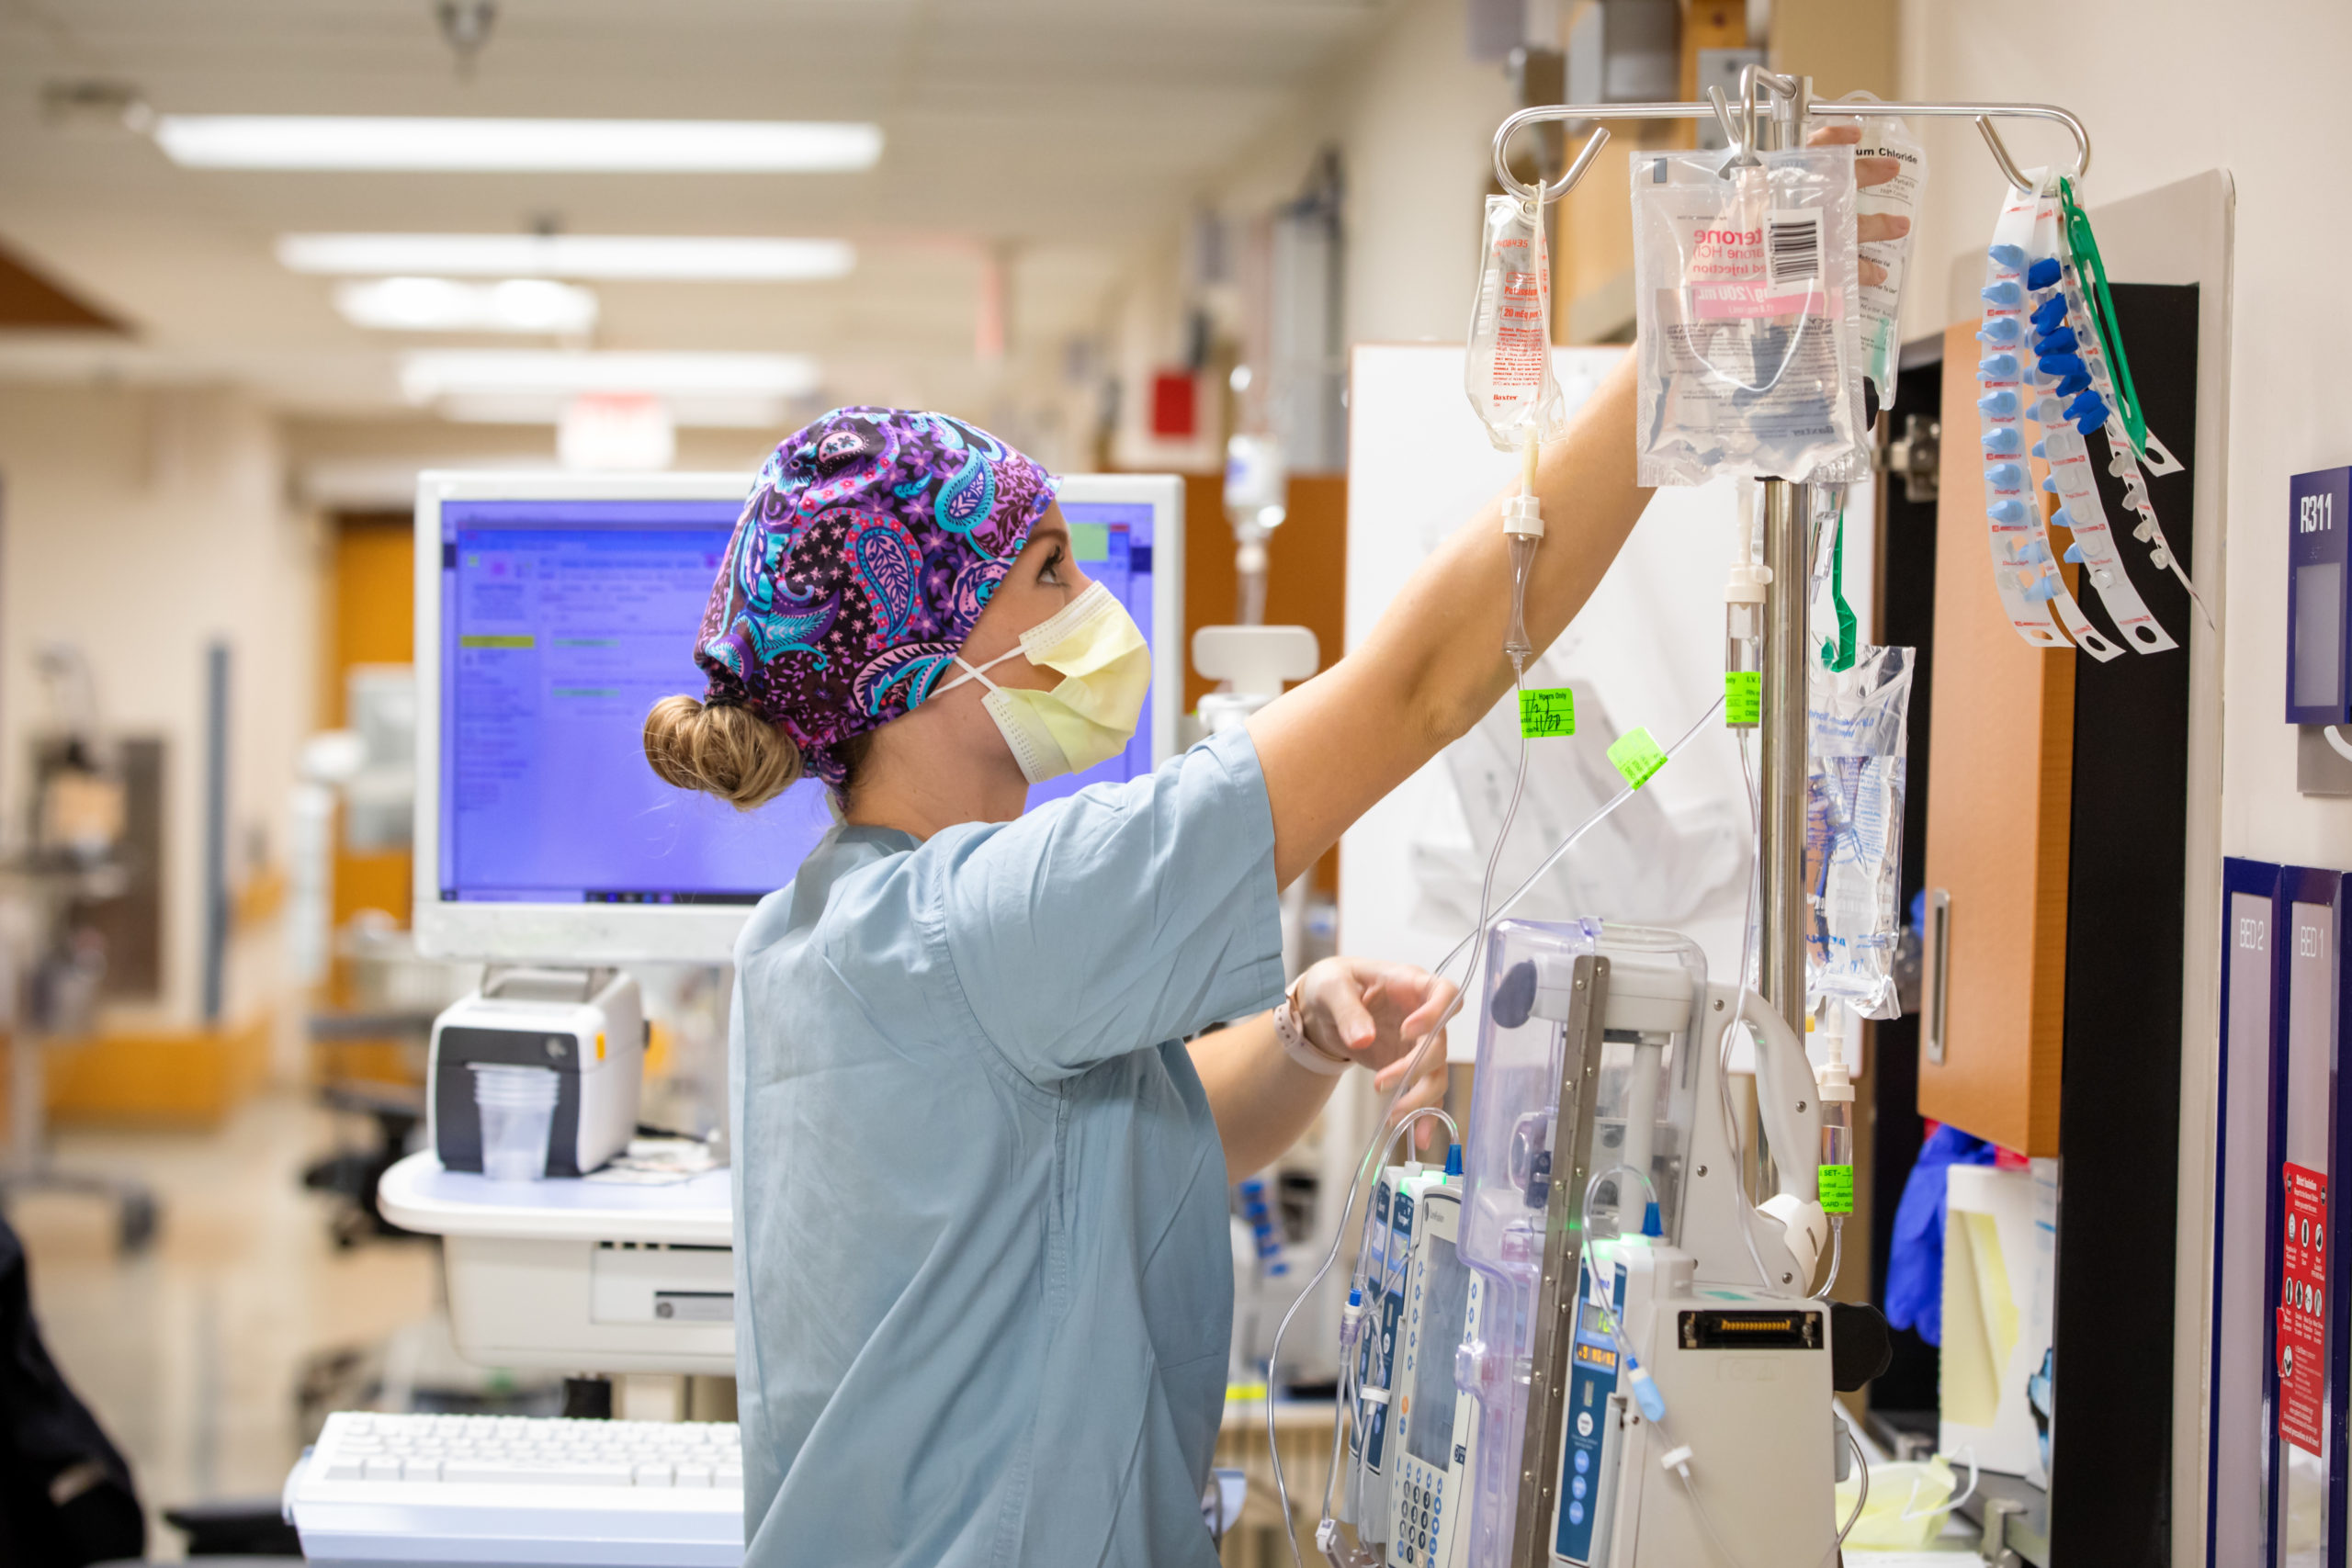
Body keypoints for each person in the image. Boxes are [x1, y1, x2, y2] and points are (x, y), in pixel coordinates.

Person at [647, 118, 1904, 1559]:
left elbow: (1136, 1140)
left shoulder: (824, 934)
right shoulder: (987, 920)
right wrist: (1702, 322)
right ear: (923, 666)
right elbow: (1421, 687)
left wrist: (1304, 1044)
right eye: (1046, 571)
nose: (1088, 599)